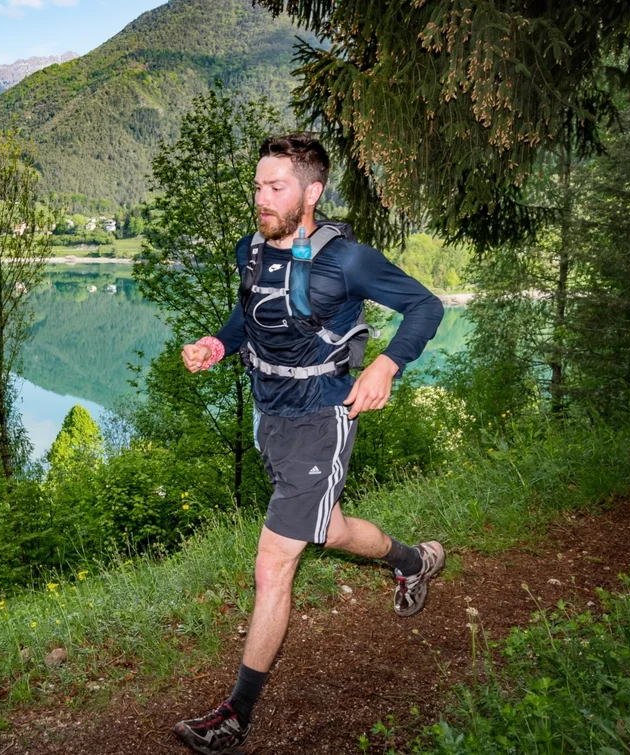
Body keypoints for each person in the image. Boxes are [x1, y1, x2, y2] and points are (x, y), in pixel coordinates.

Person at [172, 134, 446, 755]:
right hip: (270, 417)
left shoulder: (345, 259)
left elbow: (424, 307)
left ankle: (234, 716)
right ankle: (410, 560)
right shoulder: (249, 249)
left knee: (274, 565)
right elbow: (250, 317)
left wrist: (386, 366)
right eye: (259, 186)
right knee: (327, 528)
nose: (262, 199)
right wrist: (217, 345)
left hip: (323, 417)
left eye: (276, 188)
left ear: (311, 192)